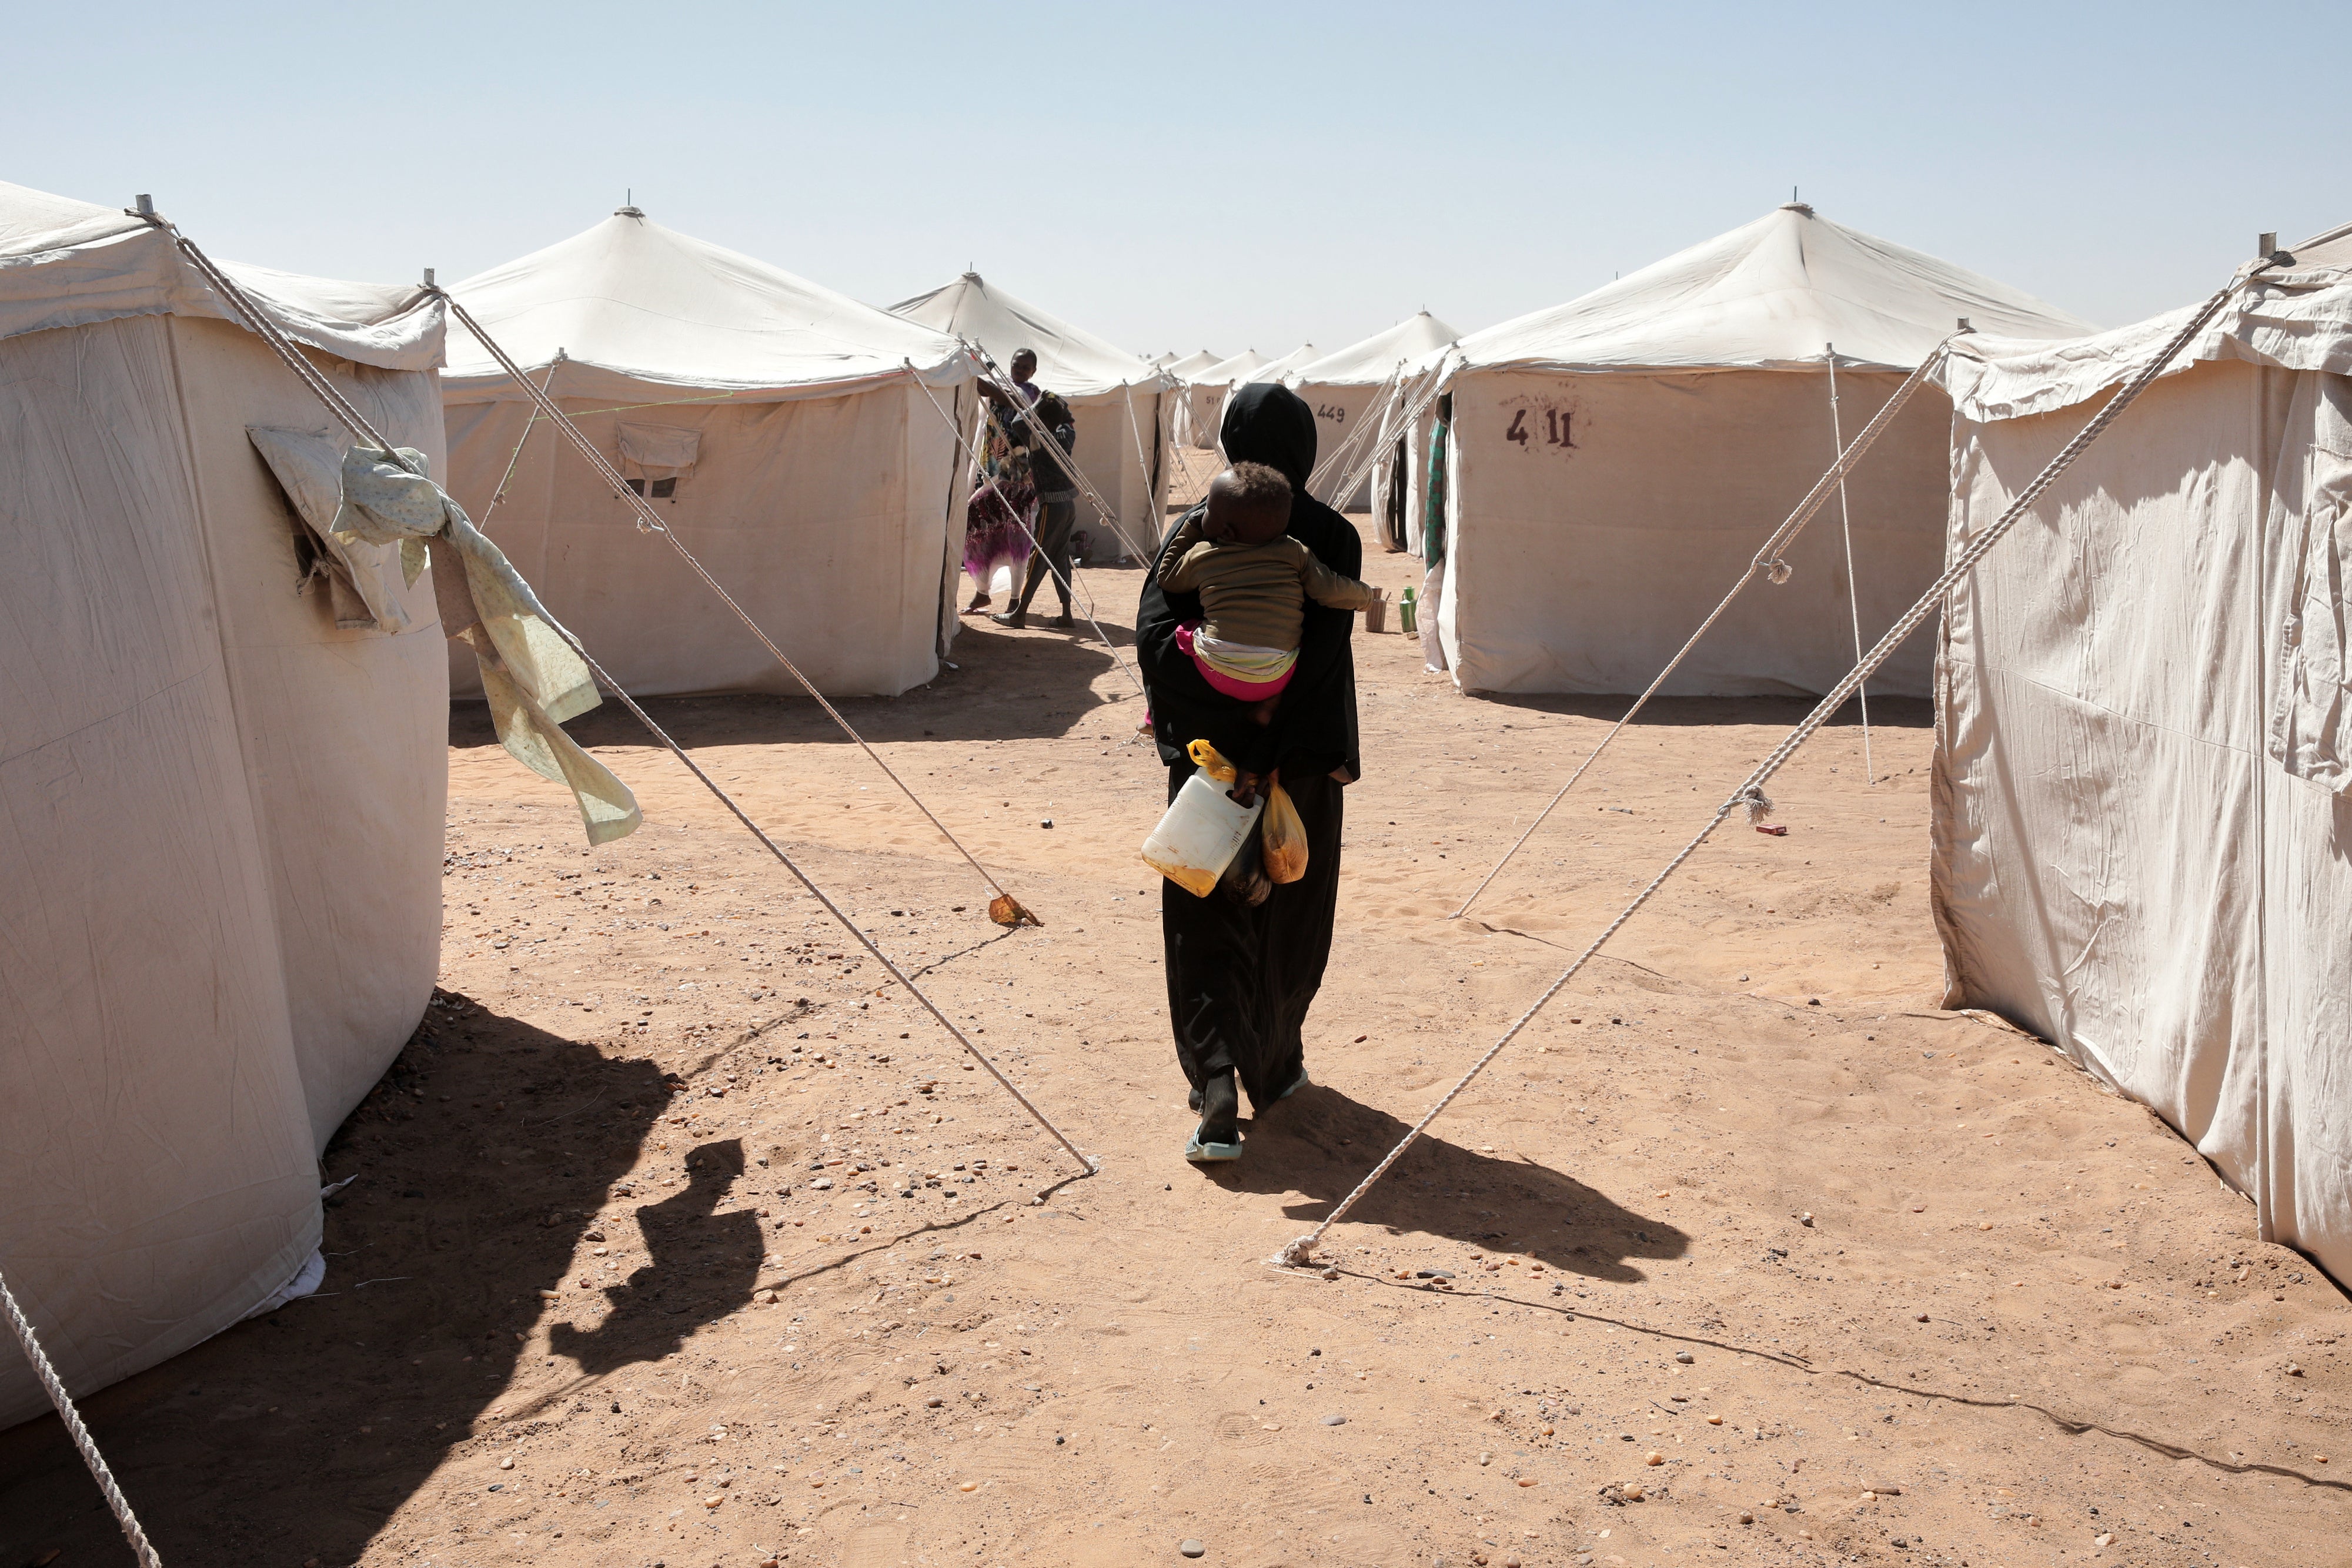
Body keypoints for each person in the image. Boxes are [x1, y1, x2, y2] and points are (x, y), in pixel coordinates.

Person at [1138, 383, 1362, 1164]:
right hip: (1296, 769)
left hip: (1212, 770)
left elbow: (1155, 639)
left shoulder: (1202, 526)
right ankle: (1276, 1063)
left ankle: (1216, 1083)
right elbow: (1319, 663)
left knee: (1203, 918)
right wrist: (1271, 753)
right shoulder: (1331, 534)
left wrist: (1218, 725)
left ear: (1233, 444)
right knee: (1289, 916)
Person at [1153, 460, 1381, 724]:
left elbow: (1166, 578)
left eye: (1208, 510)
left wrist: (1190, 528)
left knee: (1184, 631)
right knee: (1299, 640)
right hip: (1276, 675)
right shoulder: (1294, 552)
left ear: (1226, 532)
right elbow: (1331, 590)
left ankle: (1156, 713)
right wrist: (1366, 597)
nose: (1203, 513)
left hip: (1215, 670)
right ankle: (1268, 705)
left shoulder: (1203, 555)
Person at [961, 349, 1043, 614]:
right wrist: (974, 373)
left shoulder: (1031, 393)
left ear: (1033, 372)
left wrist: (973, 374)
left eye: (1025, 367)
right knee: (975, 524)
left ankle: (1015, 599)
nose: (1020, 370)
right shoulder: (1002, 386)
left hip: (1019, 477)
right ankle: (982, 591)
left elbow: (1003, 397)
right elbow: (987, 391)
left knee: (1017, 535)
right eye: (1016, 365)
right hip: (993, 472)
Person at [990, 391, 1080, 630]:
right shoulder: (1066, 434)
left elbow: (1017, 422)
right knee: (1060, 558)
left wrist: (1039, 402)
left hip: (1052, 506)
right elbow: (1068, 419)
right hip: (1068, 504)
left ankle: (1020, 613)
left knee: (1039, 558)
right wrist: (1057, 405)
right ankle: (1066, 613)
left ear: (1041, 418)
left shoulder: (1037, 438)